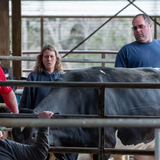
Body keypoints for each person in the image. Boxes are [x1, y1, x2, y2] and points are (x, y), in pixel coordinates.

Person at [19, 44, 64, 110]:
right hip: (39, 117)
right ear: (42, 59)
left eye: (52, 56)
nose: (49, 59)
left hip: (58, 116)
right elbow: (26, 102)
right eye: (46, 57)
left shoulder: (62, 77)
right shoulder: (33, 77)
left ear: (56, 59)